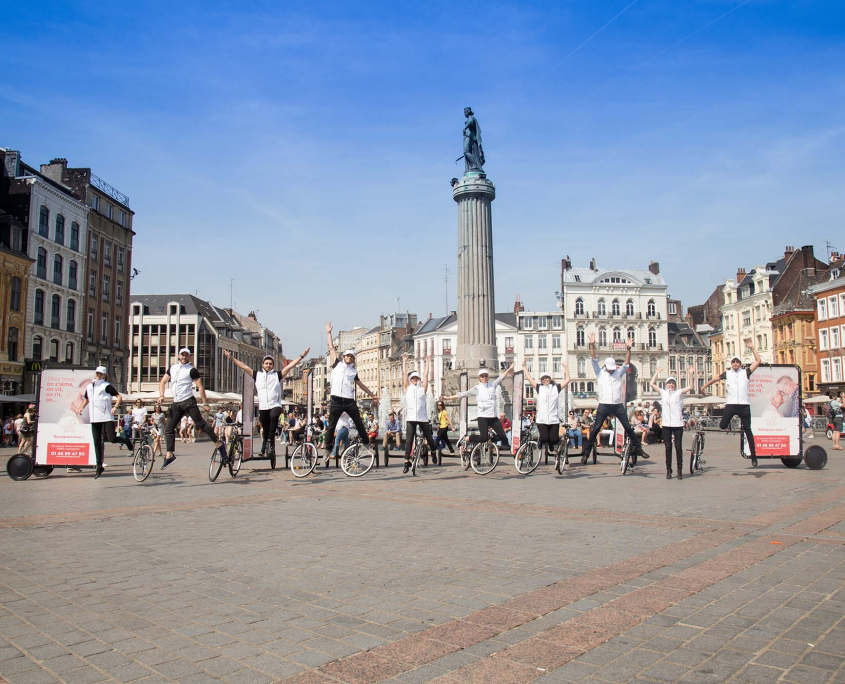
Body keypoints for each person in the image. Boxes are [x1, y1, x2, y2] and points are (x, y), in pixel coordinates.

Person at [223, 347, 309, 458]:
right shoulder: (257, 375)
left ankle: (270, 443)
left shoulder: (277, 375)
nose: (268, 365)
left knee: (273, 417)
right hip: (263, 406)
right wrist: (231, 358)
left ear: (273, 365)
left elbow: (290, 366)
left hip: (275, 404)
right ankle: (264, 446)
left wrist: (302, 356)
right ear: (263, 364)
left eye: (270, 364)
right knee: (265, 427)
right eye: (266, 363)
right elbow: (244, 366)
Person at [158, 347, 226, 469]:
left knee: (200, 423)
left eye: (186, 355)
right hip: (176, 403)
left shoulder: (191, 370)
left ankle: (218, 443)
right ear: (179, 356)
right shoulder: (172, 368)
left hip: (188, 401)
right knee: (169, 428)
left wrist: (205, 403)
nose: (184, 357)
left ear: (189, 357)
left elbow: (200, 387)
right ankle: (169, 455)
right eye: (182, 355)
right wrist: (162, 395)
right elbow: (163, 382)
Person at [322, 323, 379, 463]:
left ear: (353, 360)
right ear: (344, 357)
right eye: (347, 356)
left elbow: (361, 385)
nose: (349, 358)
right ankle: (328, 449)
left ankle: (366, 443)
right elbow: (331, 348)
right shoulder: (336, 364)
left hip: (348, 401)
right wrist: (329, 333)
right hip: (336, 400)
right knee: (331, 426)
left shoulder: (353, 372)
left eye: (351, 357)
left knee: (359, 422)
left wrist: (372, 395)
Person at [581, 334, 641, 466]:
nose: (611, 371)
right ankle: (586, 453)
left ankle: (639, 448)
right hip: (604, 404)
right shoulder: (600, 372)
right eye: (610, 369)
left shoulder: (618, 373)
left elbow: (626, 364)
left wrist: (628, 349)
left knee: (628, 427)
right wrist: (592, 345)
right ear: (606, 367)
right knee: (596, 429)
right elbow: (593, 358)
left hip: (617, 404)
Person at [701, 339, 762, 466]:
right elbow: (715, 379)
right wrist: (703, 387)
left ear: (740, 363)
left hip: (744, 405)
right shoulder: (727, 374)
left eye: (737, 362)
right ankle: (729, 425)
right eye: (733, 362)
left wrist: (752, 348)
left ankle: (754, 456)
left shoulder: (746, 372)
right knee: (722, 425)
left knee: (748, 430)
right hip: (732, 404)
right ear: (731, 363)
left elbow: (758, 361)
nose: (735, 363)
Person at [75, 366, 134, 479]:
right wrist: (81, 408)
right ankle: (99, 466)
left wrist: (115, 407)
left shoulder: (106, 386)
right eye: (97, 373)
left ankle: (125, 441)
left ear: (104, 375)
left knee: (111, 438)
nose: (98, 375)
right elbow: (87, 399)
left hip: (106, 416)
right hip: (94, 417)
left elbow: (119, 396)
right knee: (96, 441)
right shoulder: (89, 387)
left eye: (101, 374)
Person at [441, 364, 516, 451]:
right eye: (482, 376)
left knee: (503, 436)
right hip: (483, 417)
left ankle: (490, 441)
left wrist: (510, 368)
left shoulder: (493, 384)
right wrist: (448, 398)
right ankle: (467, 438)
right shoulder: (477, 388)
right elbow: (462, 394)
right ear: (479, 378)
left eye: (486, 375)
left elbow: (501, 377)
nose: (484, 377)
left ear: (488, 377)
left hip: (493, 417)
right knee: (483, 438)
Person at [650, 366, 696, 480]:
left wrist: (690, 374)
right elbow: (651, 384)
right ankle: (668, 470)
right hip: (666, 424)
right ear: (666, 385)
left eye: (673, 383)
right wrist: (656, 372)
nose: (671, 385)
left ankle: (679, 470)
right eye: (669, 383)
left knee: (678, 447)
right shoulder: (663, 393)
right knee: (668, 447)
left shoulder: (679, 392)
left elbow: (690, 387)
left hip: (677, 424)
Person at [523, 362, 570, 460]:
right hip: (542, 419)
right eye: (543, 379)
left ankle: (550, 444)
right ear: (541, 380)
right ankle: (542, 441)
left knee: (554, 439)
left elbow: (568, 379)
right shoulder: (539, 388)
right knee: (544, 438)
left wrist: (565, 367)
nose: (545, 380)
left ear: (550, 379)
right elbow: (529, 379)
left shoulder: (556, 388)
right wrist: (524, 367)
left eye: (547, 378)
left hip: (553, 419)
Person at [401, 352, 436, 473]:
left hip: (422, 418)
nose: (415, 380)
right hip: (411, 418)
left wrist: (427, 362)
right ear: (411, 380)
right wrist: (404, 361)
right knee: (409, 441)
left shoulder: (423, 388)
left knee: (429, 437)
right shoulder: (407, 388)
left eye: (417, 378)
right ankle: (406, 462)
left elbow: (426, 375)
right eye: (413, 378)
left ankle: (434, 452)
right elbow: (404, 374)